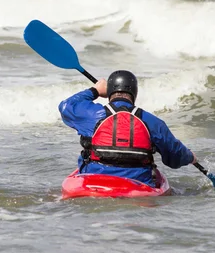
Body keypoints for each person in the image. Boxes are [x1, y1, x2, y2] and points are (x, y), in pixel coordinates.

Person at [58, 70, 197, 187]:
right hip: (138, 184)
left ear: (110, 92)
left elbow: (66, 106)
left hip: (93, 181)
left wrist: (95, 90)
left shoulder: (92, 114)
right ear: (134, 93)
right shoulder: (152, 121)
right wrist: (190, 157)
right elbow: (175, 156)